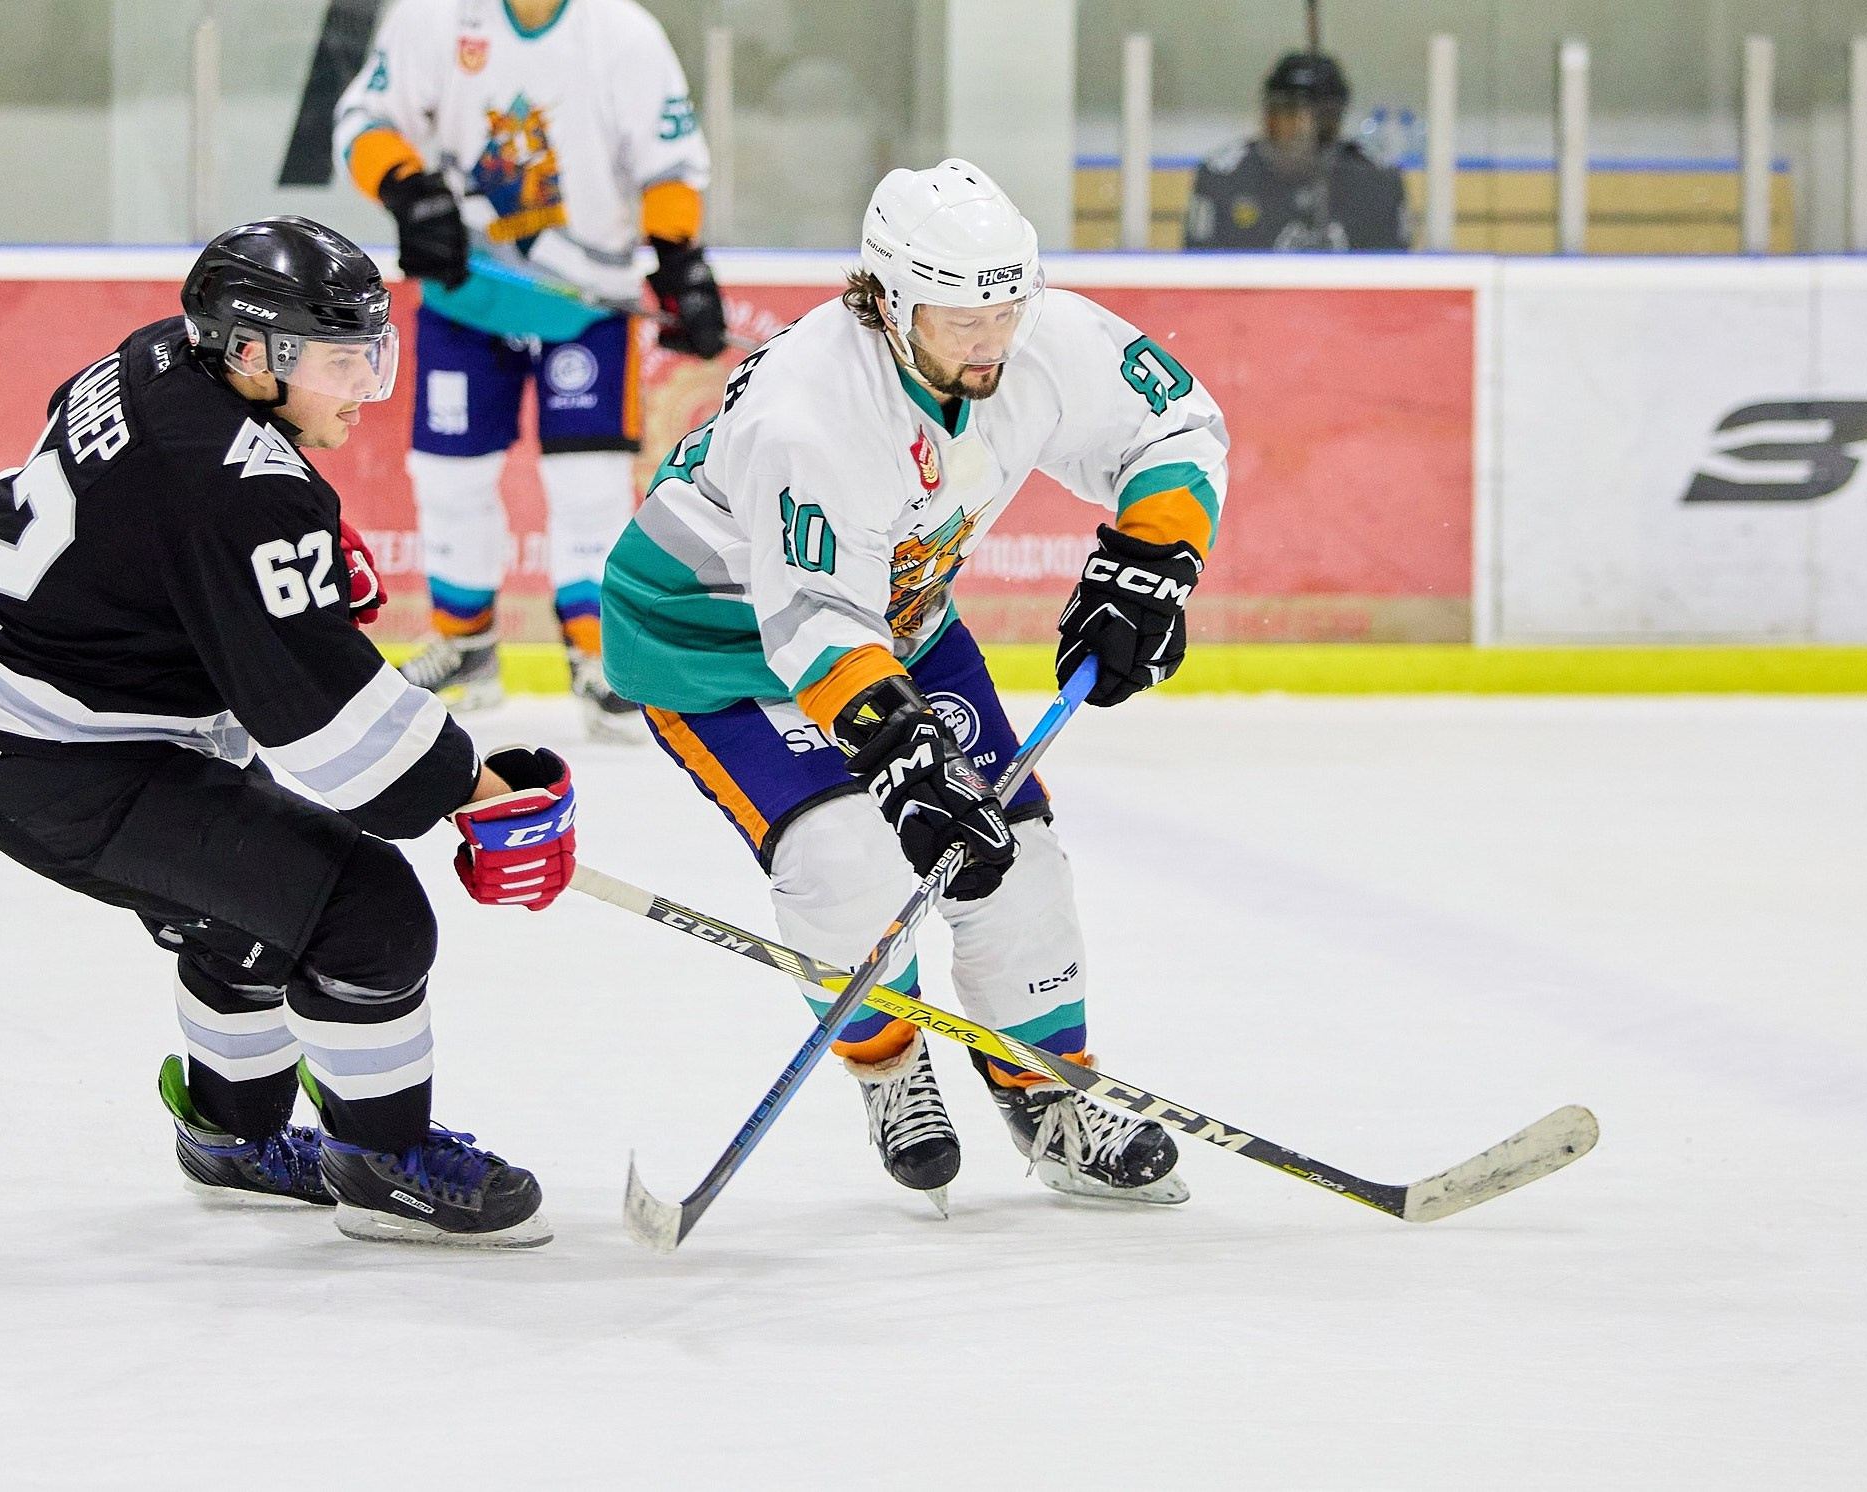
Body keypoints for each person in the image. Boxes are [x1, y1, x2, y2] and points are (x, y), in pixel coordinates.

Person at [0, 217, 579, 1249]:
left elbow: (129, 505)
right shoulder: (240, 488)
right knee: (366, 911)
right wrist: (474, 790)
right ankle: (384, 1160)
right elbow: (328, 730)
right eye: (340, 360)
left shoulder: (154, 354)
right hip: (57, 760)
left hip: (5, 701)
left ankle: (231, 1136)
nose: (363, 385)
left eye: (371, 352)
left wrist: (234, 584)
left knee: (251, 906)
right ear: (254, 353)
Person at [601, 160, 1229, 1207]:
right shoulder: (811, 410)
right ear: (888, 301)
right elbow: (809, 617)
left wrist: (1150, 563)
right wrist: (901, 759)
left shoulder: (1043, 339)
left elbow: (1172, 424)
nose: (989, 338)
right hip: (711, 644)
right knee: (844, 856)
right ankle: (889, 1064)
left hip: (898, 621)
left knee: (1014, 861)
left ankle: (1048, 1092)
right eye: (956, 315)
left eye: (1004, 305)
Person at [334, 0, 728, 738]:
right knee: (450, 477)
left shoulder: (621, 33)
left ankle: (597, 657)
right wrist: (408, 191)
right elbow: (365, 122)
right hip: (466, 298)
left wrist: (680, 261)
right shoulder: (433, 18)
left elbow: (668, 163)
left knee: (589, 485)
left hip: (585, 307)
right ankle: (466, 645)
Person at [1185, 51, 1409, 252]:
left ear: (1338, 118)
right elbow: (1198, 276)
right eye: (1289, 112)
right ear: (1268, 116)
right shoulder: (1224, 177)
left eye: (1319, 115)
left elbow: (1395, 279)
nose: (1303, 129)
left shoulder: (1377, 180)